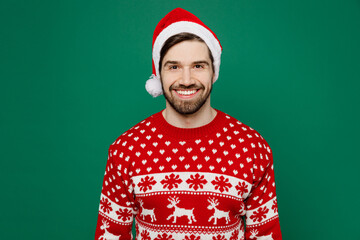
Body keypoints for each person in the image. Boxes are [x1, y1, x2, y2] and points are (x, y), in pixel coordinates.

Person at [95, 8, 282, 240]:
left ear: (214, 71)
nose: (186, 80)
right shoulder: (125, 150)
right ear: (159, 74)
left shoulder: (252, 148)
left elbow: (265, 235)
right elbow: (110, 235)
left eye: (198, 66)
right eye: (173, 67)